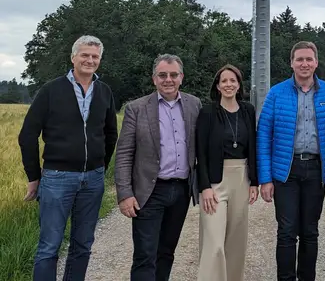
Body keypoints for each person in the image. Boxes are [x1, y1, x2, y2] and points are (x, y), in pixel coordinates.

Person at [18, 35, 118, 281]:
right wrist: (34, 177)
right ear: (73, 57)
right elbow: (27, 135)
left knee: (83, 245)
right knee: (49, 247)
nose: (90, 60)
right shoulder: (51, 90)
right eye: (85, 55)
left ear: (100, 60)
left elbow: (110, 134)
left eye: (95, 56)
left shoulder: (104, 92)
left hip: (92, 179)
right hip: (57, 178)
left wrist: (100, 168)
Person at [256, 40, 325, 281]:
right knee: (286, 232)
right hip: (285, 171)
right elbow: (264, 135)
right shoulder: (276, 93)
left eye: (309, 59)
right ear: (291, 63)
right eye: (299, 59)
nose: (304, 64)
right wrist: (265, 178)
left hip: (316, 170)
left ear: (316, 63)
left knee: (310, 232)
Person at [114, 54, 202, 281]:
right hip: (149, 192)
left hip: (181, 191)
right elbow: (124, 153)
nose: (168, 80)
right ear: (154, 79)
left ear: (181, 77)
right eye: (162, 75)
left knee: (167, 252)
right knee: (145, 255)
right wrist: (124, 193)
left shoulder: (194, 105)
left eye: (173, 75)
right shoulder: (137, 108)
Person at [195, 64, 259, 281]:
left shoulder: (248, 110)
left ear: (239, 85)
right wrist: (204, 187)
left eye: (233, 80)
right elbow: (200, 152)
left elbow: (254, 147)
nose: (229, 84)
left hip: (241, 177)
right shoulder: (207, 112)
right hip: (215, 181)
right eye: (224, 81)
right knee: (214, 244)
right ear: (218, 85)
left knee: (236, 241)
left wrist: (254, 182)